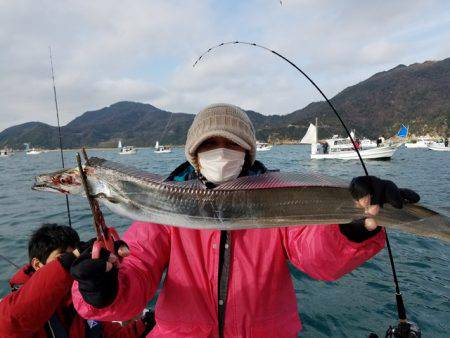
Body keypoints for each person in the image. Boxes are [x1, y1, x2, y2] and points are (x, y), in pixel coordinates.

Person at [70, 104, 419, 338]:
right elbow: (139, 266)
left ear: (247, 152)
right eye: (211, 144)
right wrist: (102, 289)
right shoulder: (165, 205)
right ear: (194, 154)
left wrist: (351, 228)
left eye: (230, 144)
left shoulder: (275, 199)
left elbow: (316, 254)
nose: (220, 152)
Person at [0, 223, 155, 338]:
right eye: (62, 256)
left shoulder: (80, 297)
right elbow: (9, 323)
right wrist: (66, 265)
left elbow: (107, 334)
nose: (74, 262)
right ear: (37, 264)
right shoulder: (17, 308)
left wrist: (145, 324)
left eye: (75, 255)